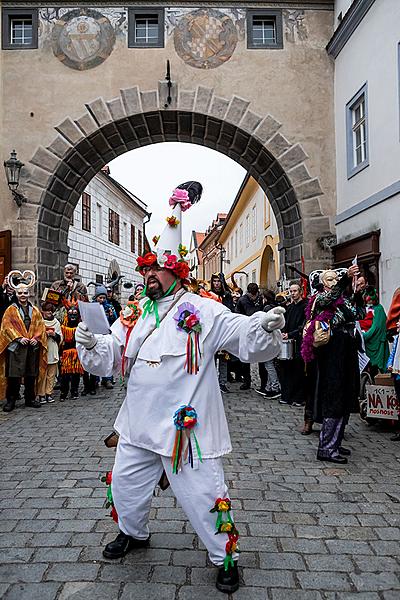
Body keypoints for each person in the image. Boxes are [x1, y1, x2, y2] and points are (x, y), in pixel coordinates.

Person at [76, 181, 285, 594]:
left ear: (176, 271)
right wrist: (91, 342)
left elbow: (241, 335)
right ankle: (133, 533)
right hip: (136, 425)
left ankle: (225, 556)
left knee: (207, 494)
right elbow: (110, 352)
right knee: (126, 486)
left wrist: (263, 326)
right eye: (146, 269)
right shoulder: (135, 311)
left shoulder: (204, 309)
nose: (149, 275)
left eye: (156, 269)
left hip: (185, 429)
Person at [301, 265, 364, 464]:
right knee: (334, 396)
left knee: (345, 395)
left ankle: (335, 441)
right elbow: (331, 297)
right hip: (331, 352)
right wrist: (345, 278)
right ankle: (326, 448)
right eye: (330, 279)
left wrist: (358, 294)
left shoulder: (342, 300)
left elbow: (358, 315)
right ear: (321, 283)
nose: (334, 281)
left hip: (346, 350)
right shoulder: (319, 299)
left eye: (336, 278)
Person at [0, 271, 47, 412]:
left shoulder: (35, 311)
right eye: (20, 293)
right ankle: (11, 400)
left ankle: (30, 398)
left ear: (29, 294)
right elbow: (6, 327)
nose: (22, 295)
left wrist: (36, 338)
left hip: (31, 348)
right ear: (16, 293)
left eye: (25, 293)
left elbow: (41, 327)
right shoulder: (11, 310)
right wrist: (19, 337)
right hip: (16, 348)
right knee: (14, 374)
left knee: (31, 374)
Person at [278, 282, 308, 407]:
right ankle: (287, 395)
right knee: (286, 370)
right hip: (289, 343)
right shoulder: (289, 308)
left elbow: (304, 325)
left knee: (298, 371)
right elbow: (284, 322)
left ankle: (299, 397)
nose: (293, 294)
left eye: (295, 291)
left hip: (299, 343)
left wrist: (290, 334)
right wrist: (283, 332)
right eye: (291, 291)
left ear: (300, 291)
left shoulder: (305, 306)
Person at [235, 283, 265, 390]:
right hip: (246, 331)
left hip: (260, 331)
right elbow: (237, 314)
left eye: (255, 295)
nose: (253, 297)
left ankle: (263, 384)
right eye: (251, 295)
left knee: (262, 358)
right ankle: (246, 381)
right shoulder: (242, 300)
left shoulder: (261, 299)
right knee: (245, 358)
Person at [210, 273, 234, 394]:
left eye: (219, 281)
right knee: (211, 358)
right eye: (214, 281)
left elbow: (230, 311)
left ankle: (222, 383)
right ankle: (212, 382)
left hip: (223, 330)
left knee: (224, 358)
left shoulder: (227, 295)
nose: (217, 284)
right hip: (212, 330)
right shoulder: (208, 294)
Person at [256, 289, 281, 399]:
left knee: (269, 365)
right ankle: (269, 387)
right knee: (270, 364)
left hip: (269, 339)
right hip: (274, 339)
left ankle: (274, 387)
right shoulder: (274, 306)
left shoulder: (267, 308)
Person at [37, 302, 63, 404]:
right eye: (47, 311)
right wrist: (44, 334)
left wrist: (54, 334)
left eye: (51, 311)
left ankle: (49, 393)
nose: (49, 313)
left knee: (51, 374)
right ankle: (41, 394)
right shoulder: (39, 321)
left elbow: (60, 337)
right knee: (42, 374)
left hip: (52, 349)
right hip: (42, 350)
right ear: (43, 311)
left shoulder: (56, 322)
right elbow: (36, 335)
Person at [59, 301, 84, 401]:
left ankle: (74, 391)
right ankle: (63, 392)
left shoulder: (81, 327)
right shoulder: (63, 327)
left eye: (75, 314)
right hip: (66, 353)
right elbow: (60, 341)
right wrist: (60, 354)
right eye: (70, 314)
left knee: (76, 374)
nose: (72, 316)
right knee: (64, 375)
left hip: (77, 353)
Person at [361, 287, 389, 376]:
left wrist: (363, 336)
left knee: (377, 367)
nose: (368, 302)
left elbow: (376, 327)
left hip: (377, 343)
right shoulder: (370, 308)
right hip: (370, 342)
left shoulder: (379, 309)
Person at [387, 320, 400, 441]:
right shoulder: (397, 338)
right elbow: (393, 353)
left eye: (399, 322)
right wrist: (389, 364)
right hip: (396, 373)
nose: (397, 324)